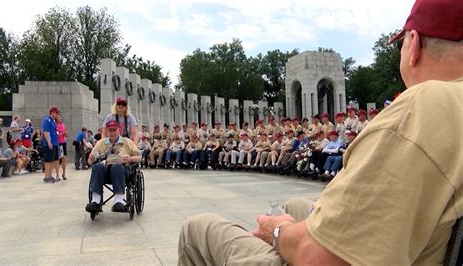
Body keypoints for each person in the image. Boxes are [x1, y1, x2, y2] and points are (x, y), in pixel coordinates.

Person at [177, 0, 463, 264]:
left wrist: (278, 232)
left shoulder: (423, 106)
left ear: (413, 45)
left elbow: (322, 259)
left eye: (400, 43)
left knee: (197, 229)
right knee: (295, 204)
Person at [86, 120, 141, 213]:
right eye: (110, 130)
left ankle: (118, 201)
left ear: (119, 130)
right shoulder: (101, 143)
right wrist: (91, 159)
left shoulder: (127, 142)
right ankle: (95, 201)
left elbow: (139, 157)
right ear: (107, 131)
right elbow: (90, 161)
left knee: (117, 166)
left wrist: (130, 159)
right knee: (97, 167)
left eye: (114, 130)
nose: (112, 132)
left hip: (122, 172)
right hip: (105, 172)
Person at [41, 107, 60, 183]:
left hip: (55, 143)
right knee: (48, 160)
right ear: (52, 112)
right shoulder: (47, 120)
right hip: (50, 143)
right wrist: (49, 142)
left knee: (52, 160)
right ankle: (46, 176)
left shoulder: (53, 121)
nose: (57, 115)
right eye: (56, 113)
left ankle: (50, 175)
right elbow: (46, 132)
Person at [56, 114, 68, 180]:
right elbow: (56, 135)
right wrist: (62, 133)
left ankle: (64, 173)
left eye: (61, 118)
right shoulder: (55, 125)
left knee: (64, 158)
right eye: (59, 118)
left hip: (63, 143)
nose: (60, 119)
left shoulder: (63, 125)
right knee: (57, 159)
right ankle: (57, 174)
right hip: (57, 143)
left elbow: (66, 135)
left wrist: (65, 134)